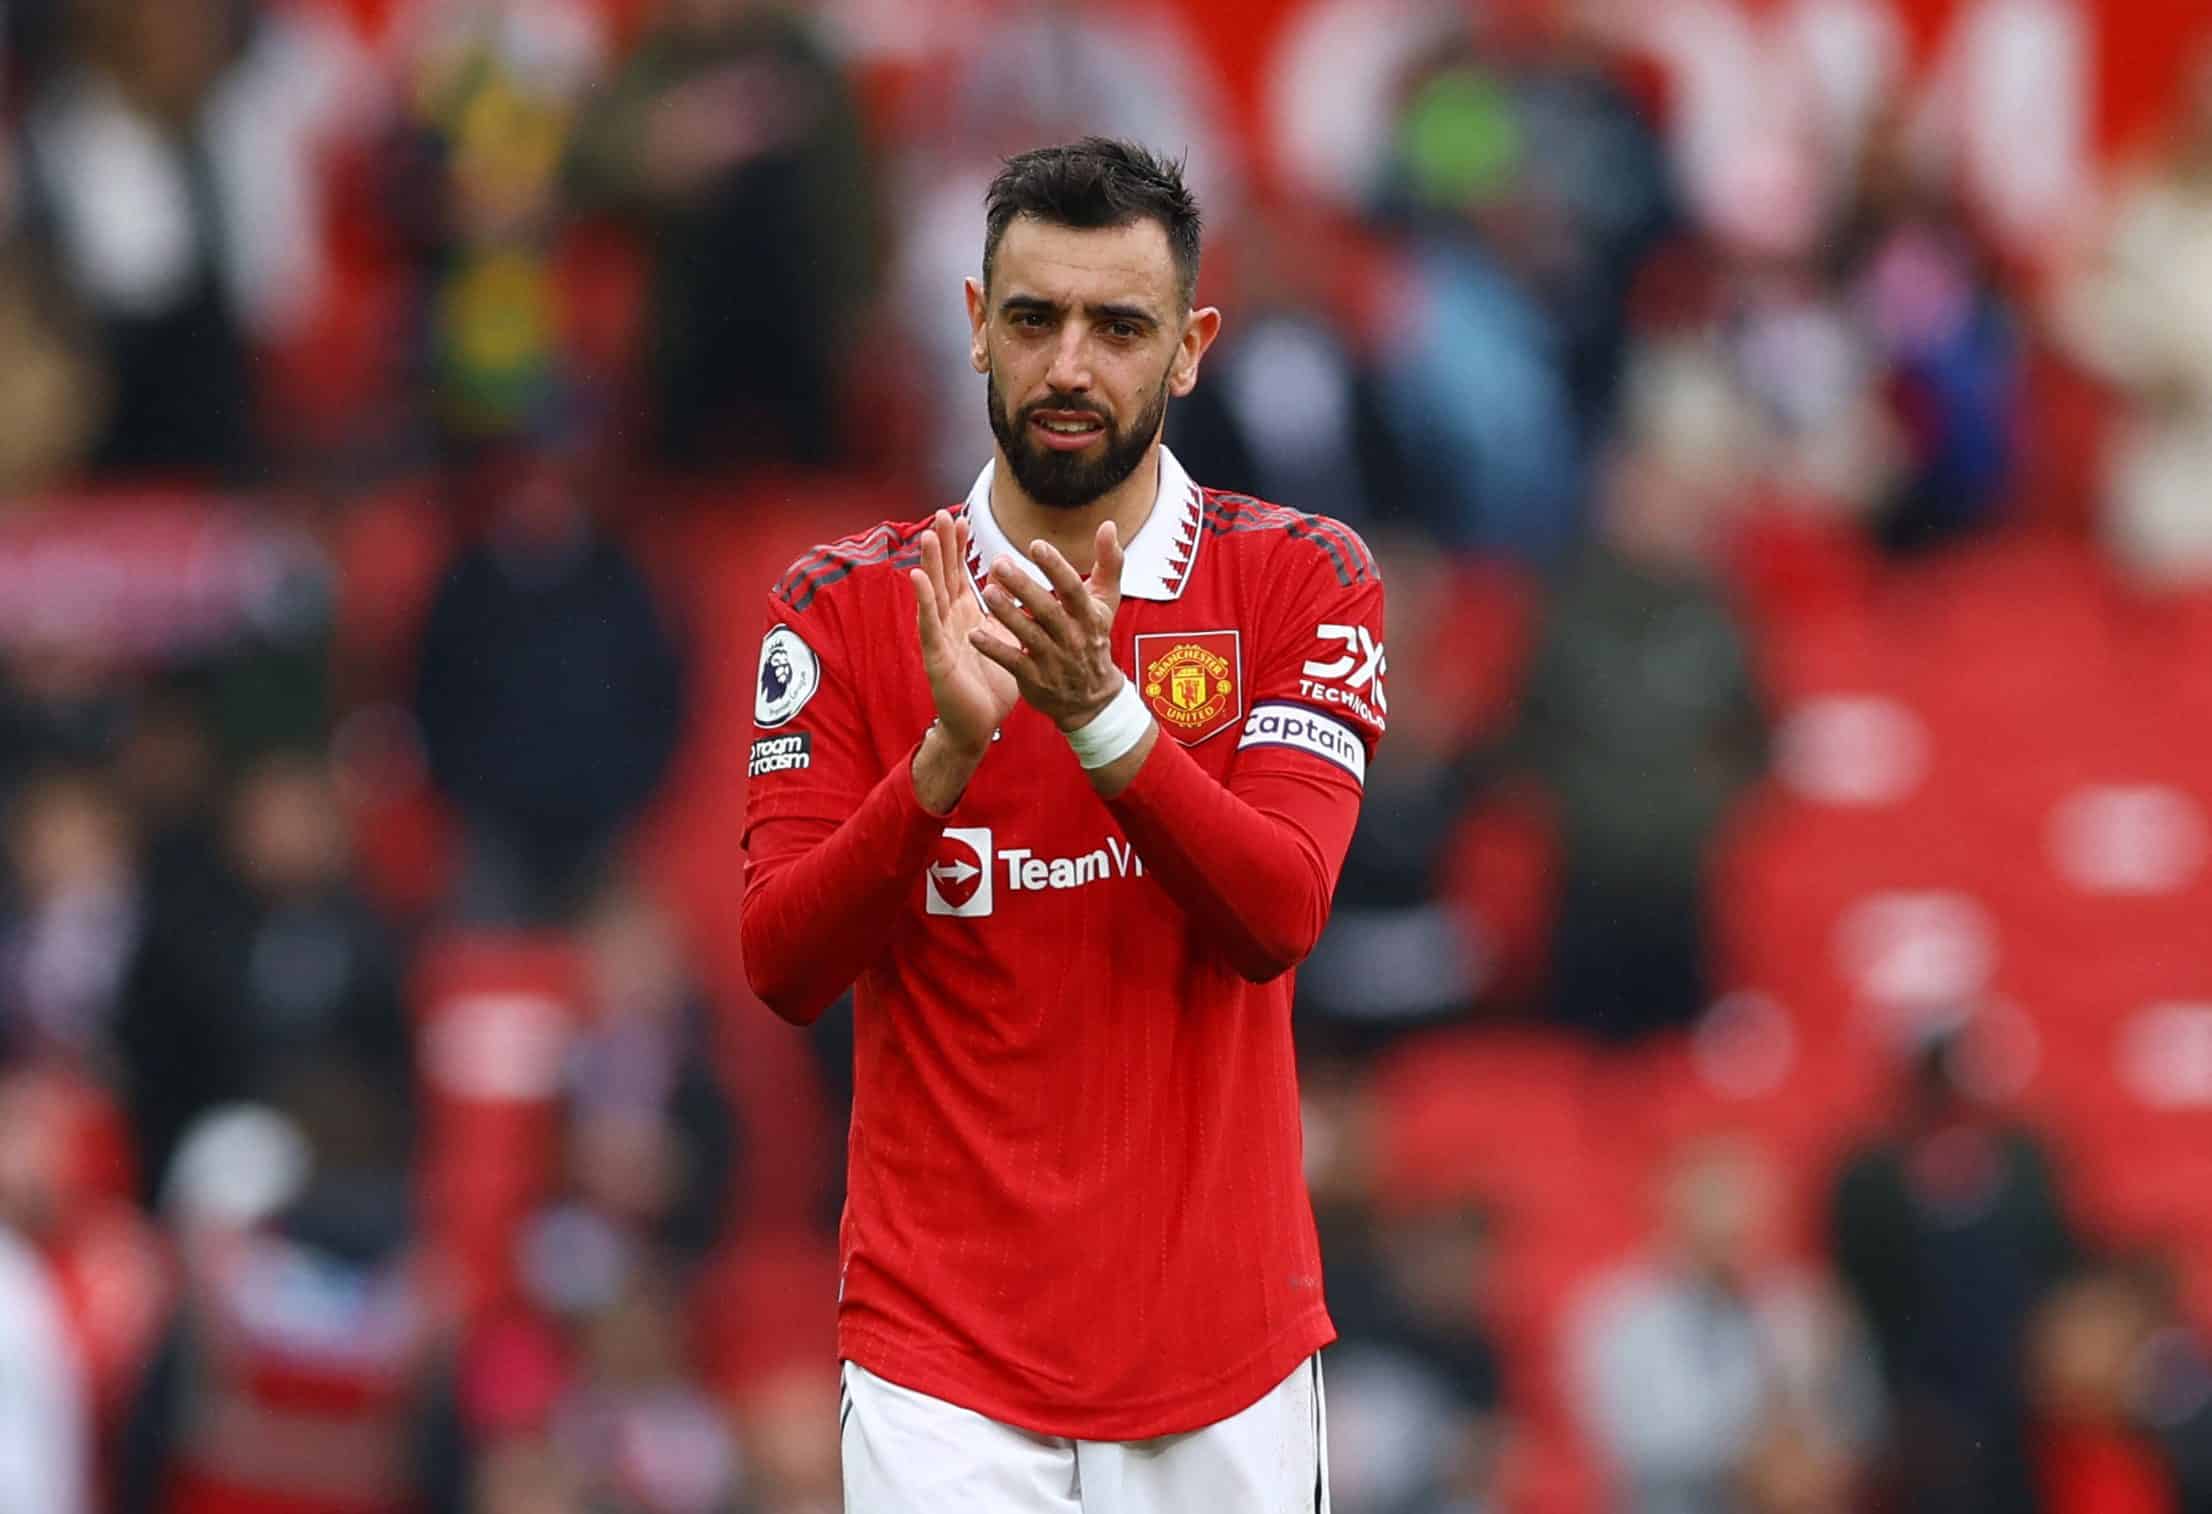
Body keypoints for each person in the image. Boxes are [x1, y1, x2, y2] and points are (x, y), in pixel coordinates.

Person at [739, 138, 1386, 1509]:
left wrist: (1102, 719)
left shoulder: (1301, 582)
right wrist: (942, 761)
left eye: (1120, 325)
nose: (1071, 366)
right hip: (944, 1372)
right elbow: (783, 965)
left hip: (1226, 1363)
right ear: (975, 325)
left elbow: (1277, 912)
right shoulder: (842, 607)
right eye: (1034, 319)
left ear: (1193, 346)